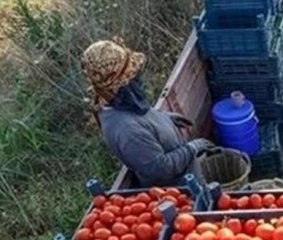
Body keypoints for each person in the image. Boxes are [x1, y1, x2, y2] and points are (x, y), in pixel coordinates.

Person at [81, 38, 213, 187]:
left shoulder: (121, 102)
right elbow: (160, 169)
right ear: (118, 86)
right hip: (180, 190)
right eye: (132, 78)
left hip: (189, 175)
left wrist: (164, 119)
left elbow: (143, 121)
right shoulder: (127, 131)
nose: (137, 80)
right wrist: (192, 148)